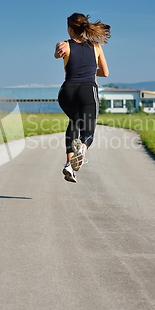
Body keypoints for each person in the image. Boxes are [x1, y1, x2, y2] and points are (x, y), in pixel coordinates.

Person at [54, 13, 110, 183]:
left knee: (75, 121)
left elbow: (57, 54)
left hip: (66, 93)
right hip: (87, 91)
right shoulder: (96, 46)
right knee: (88, 129)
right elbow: (105, 73)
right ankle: (82, 149)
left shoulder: (65, 45)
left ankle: (68, 165)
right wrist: (92, 71)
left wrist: (59, 52)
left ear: (70, 29)